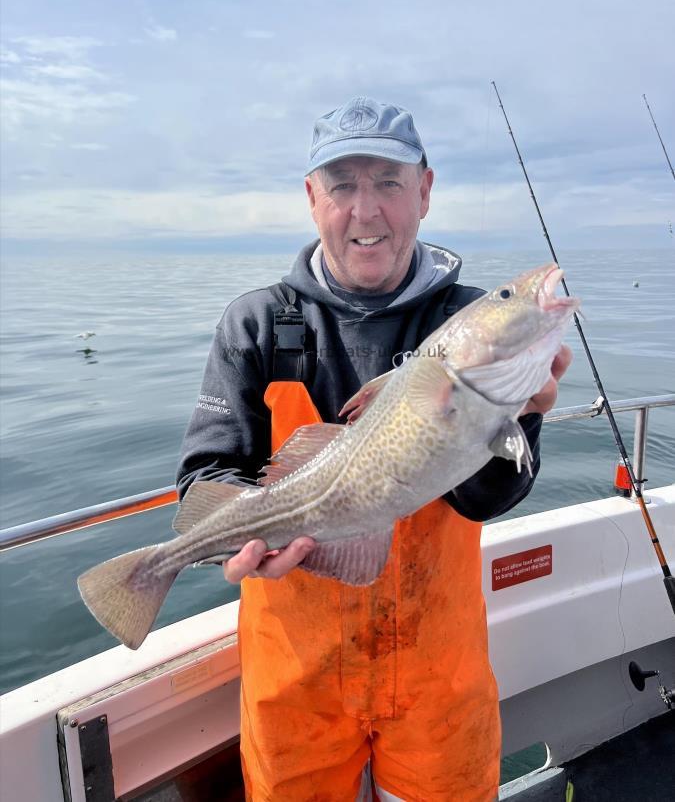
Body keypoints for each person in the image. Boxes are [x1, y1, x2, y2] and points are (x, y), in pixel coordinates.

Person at [177, 96, 571, 802]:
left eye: (388, 182)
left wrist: (519, 415)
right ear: (311, 198)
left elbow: (484, 501)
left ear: (423, 190)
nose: (365, 211)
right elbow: (209, 472)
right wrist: (232, 539)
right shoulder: (257, 323)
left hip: (436, 669)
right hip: (294, 673)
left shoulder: (462, 318)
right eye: (342, 185)